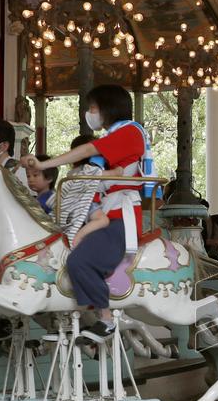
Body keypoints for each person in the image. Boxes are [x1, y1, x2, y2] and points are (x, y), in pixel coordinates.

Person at [21, 84, 152, 338]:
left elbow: (89, 151)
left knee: (79, 261)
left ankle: (106, 319)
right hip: (105, 211)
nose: (90, 113)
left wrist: (45, 163)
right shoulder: (113, 140)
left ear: (107, 108)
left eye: (93, 108)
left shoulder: (130, 133)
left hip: (118, 218)